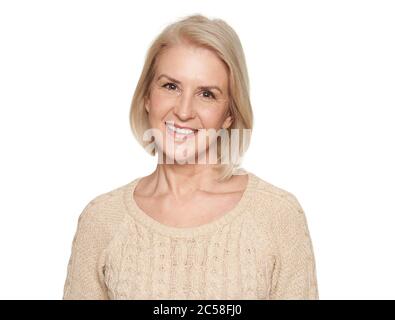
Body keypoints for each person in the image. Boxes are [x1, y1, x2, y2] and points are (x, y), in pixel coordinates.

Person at [63, 14, 318, 300]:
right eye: (170, 86)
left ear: (229, 115)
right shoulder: (101, 221)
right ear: (147, 96)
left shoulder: (277, 216)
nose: (184, 111)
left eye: (207, 94)